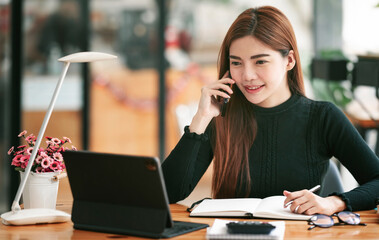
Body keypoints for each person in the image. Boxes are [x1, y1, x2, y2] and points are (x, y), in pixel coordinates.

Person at [162, 6, 379, 216]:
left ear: (289, 60)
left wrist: (335, 202)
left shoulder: (323, 117)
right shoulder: (221, 116)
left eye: (260, 62)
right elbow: (168, 194)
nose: (247, 75)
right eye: (236, 63)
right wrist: (201, 119)